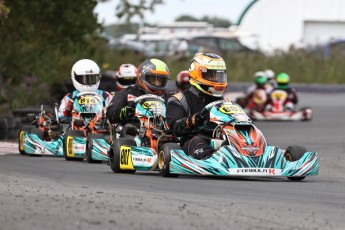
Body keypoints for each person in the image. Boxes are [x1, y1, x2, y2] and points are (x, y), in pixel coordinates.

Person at [166, 53, 228, 160]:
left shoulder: (222, 101)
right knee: (197, 142)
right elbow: (175, 128)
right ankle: (213, 158)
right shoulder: (179, 100)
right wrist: (192, 121)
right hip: (193, 140)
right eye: (211, 75)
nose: (216, 79)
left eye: (219, 76)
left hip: (218, 138)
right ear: (197, 74)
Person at [106, 58, 170, 126]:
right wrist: (126, 111)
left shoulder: (167, 98)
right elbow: (110, 115)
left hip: (162, 133)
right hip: (132, 133)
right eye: (154, 79)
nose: (157, 83)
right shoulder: (128, 93)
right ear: (142, 76)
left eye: (160, 80)